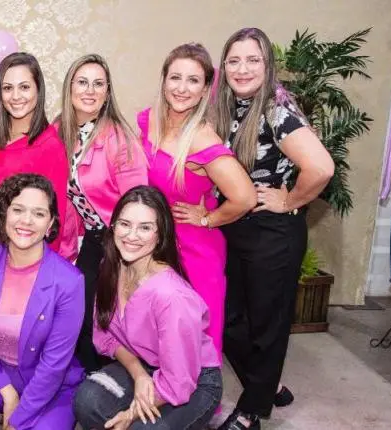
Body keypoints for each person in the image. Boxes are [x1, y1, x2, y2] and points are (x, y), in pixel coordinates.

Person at [214, 28, 335, 429]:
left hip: (273, 233)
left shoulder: (276, 109)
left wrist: (290, 200)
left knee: (267, 326)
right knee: (229, 319)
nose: (242, 68)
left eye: (253, 60)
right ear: (223, 66)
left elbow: (321, 167)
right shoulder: (231, 106)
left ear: (268, 66)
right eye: (234, 60)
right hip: (237, 227)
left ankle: (252, 410)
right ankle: (268, 385)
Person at [137, 43, 256, 364]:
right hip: (154, 245)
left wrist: (207, 219)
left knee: (193, 339)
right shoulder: (149, 121)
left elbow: (245, 197)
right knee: (155, 335)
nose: (182, 88)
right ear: (164, 80)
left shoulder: (202, 138)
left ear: (205, 89)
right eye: (175, 77)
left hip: (193, 251)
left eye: (193, 80)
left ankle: (198, 394)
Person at [73, 185, 222, 430]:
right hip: (145, 363)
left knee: (141, 428)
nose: (131, 236)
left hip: (194, 381)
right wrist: (139, 374)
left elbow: (179, 381)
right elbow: (105, 337)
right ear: (113, 226)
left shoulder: (172, 296)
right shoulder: (112, 267)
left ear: (160, 234)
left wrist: (130, 415)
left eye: (145, 227)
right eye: (125, 224)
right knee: (87, 400)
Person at [0, 174, 85, 430]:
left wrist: (17, 419)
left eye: (39, 214)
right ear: (5, 214)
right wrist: (7, 391)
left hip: (52, 383)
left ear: (51, 223)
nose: (26, 220)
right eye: (18, 210)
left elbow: (54, 364)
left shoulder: (69, 282)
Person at [57, 53, 148, 372]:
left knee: (109, 318)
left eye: (98, 84)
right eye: (82, 82)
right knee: (79, 313)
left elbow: (139, 204)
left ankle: (110, 381)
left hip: (123, 241)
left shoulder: (119, 138)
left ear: (108, 92)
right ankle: (89, 379)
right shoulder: (61, 131)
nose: (90, 90)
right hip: (93, 238)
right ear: (69, 88)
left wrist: (130, 256)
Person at [0, 52, 74, 263]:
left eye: (24, 87)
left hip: (18, 255)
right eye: (8, 88)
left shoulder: (50, 147)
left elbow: (55, 219)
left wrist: (38, 270)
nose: (15, 96)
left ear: (38, 90)